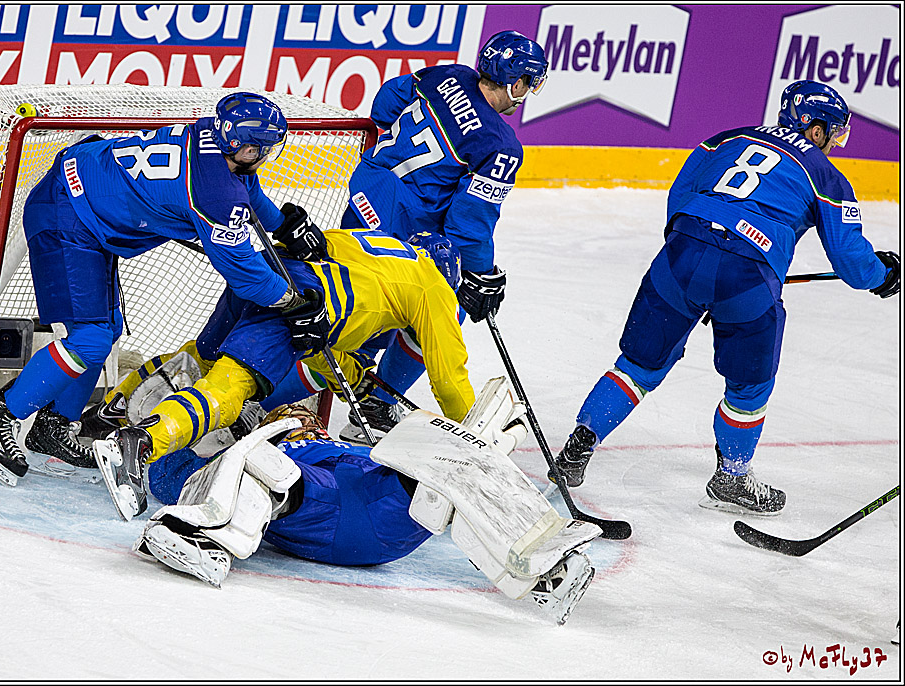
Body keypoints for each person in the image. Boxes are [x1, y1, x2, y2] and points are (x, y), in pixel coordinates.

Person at [550, 80, 899, 515]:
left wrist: (695, 251)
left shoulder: (726, 138)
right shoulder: (828, 176)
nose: (836, 143)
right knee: (750, 385)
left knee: (637, 366)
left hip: (680, 253)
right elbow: (851, 262)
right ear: (814, 129)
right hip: (746, 278)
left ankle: (577, 447)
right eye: (835, 132)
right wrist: (884, 275)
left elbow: (681, 193)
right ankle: (732, 476)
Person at [0, 92, 331, 488]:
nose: (266, 154)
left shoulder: (212, 138)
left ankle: (54, 425)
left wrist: (280, 222)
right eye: (262, 147)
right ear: (239, 144)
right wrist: (291, 301)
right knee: (89, 340)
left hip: (87, 201)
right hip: (67, 216)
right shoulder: (216, 194)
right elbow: (245, 274)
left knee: (106, 333)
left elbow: (244, 187)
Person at [132, 381, 603, 625]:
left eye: (300, 413)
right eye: (288, 412)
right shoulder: (257, 451)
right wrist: (173, 449)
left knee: (455, 463)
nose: (299, 415)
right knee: (266, 470)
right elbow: (171, 473)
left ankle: (546, 565)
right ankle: (200, 535)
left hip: (388, 516)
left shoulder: (333, 446)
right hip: (340, 514)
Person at [92, 228, 476, 521]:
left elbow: (323, 332)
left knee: (200, 360)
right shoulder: (435, 286)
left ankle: (113, 411)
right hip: (300, 304)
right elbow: (449, 380)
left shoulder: (377, 247)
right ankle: (140, 444)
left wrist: (354, 380)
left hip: (263, 274)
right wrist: (474, 442)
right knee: (228, 389)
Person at [330, 30, 549, 442]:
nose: (529, 92)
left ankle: (297, 386)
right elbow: (471, 220)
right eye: (530, 82)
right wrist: (479, 273)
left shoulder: (448, 75)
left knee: (339, 302)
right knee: (438, 307)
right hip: (400, 230)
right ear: (516, 83)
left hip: (366, 194)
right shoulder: (500, 145)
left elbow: (387, 99)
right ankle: (376, 403)